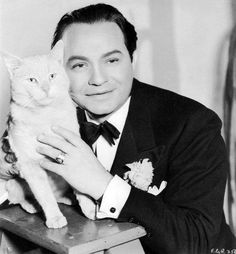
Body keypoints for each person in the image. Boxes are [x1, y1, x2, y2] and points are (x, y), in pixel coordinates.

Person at [1, 3, 236, 254]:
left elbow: (198, 241)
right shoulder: (40, 114)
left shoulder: (193, 123)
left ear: (133, 59)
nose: (98, 79)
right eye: (79, 65)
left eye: (112, 60)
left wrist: (103, 185)